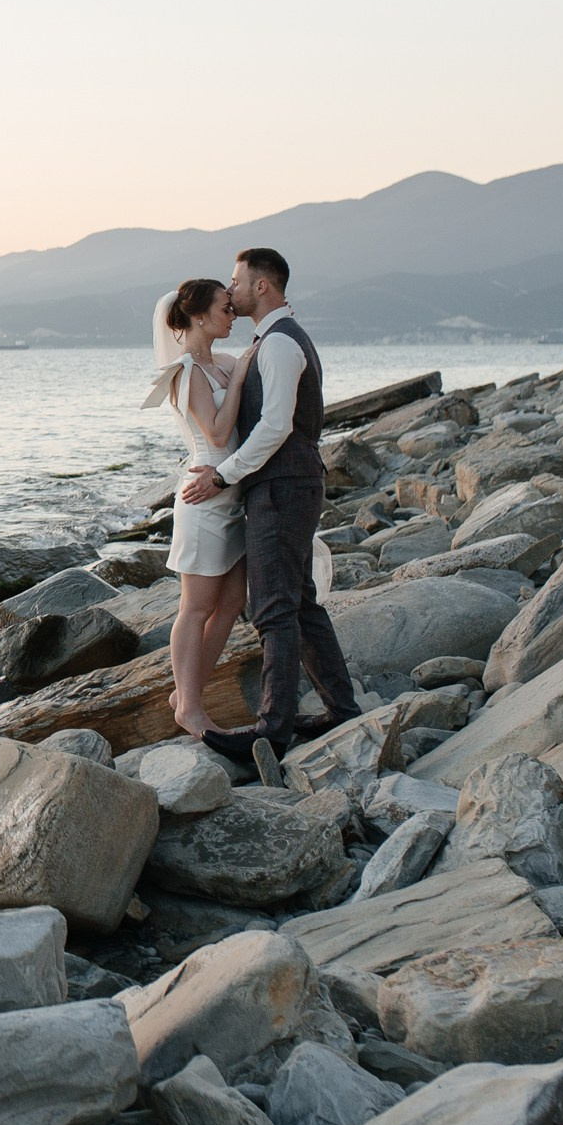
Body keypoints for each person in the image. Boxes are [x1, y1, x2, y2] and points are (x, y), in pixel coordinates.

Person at [179, 247, 361, 763]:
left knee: (275, 609)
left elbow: (276, 426)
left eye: (236, 280)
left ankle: (271, 729)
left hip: (281, 487)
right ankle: (342, 710)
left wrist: (221, 474)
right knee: (300, 601)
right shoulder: (271, 340)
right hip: (288, 484)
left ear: (262, 286)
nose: (231, 290)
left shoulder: (279, 345)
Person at [140, 279, 263, 736]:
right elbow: (214, 434)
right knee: (196, 605)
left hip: (232, 491)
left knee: (231, 602)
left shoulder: (224, 364)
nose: (232, 317)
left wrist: (243, 369)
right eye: (226, 310)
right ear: (198, 317)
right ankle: (190, 706)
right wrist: (241, 377)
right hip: (204, 493)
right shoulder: (186, 371)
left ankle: (185, 690)